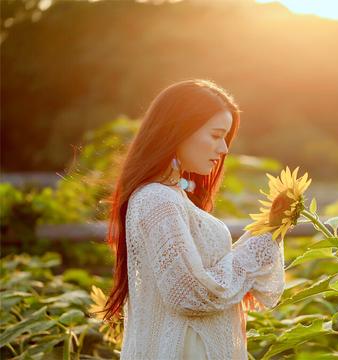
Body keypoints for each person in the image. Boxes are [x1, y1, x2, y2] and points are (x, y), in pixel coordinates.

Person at [98, 79, 285, 359]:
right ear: (179, 130)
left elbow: (200, 281)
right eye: (215, 135)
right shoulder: (157, 199)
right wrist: (262, 241)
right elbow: (188, 293)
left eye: (226, 138)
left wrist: (271, 229)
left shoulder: (171, 196)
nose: (223, 149)